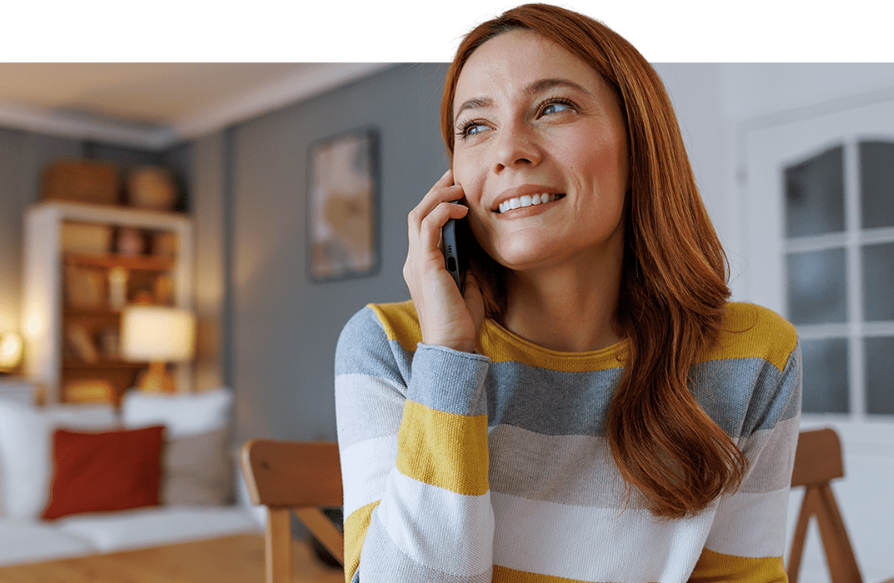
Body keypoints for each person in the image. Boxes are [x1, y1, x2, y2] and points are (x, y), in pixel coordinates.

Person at [333, 3, 802, 582]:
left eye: (553, 107)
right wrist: (449, 359)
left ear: (639, 141)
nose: (509, 150)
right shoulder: (387, 346)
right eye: (475, 126)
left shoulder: (753, 355)